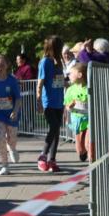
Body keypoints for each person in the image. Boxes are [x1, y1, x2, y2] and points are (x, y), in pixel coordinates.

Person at [0, 54, 21, 175]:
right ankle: (5, 165)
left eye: (2, 64)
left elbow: (18, 98)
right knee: (0, 138)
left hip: (11, 113)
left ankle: (12, 148)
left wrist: (15, 111)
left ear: (7, 66)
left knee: (12, 138)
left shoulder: (12, 80)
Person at [36, 35, 66, 173]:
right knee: (53, 126)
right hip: (48, 102)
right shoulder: (45, 62)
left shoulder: (58, 62)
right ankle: (42, 156)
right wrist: (39, 101)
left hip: (59, 102)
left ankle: (52, 160)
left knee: (57, 131)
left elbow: (59, 81)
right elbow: (40, 82)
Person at [65, 63, 92, 162]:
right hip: (77, 119)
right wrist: (69, 107)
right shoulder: (70, 90)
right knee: (79, 148)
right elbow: (66, 106)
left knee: (88, 143)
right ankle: (83, 152)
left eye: (71, 73)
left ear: (80, 75)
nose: (68, 75)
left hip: (90, 119)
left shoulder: (90, 88)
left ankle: (93, 165)